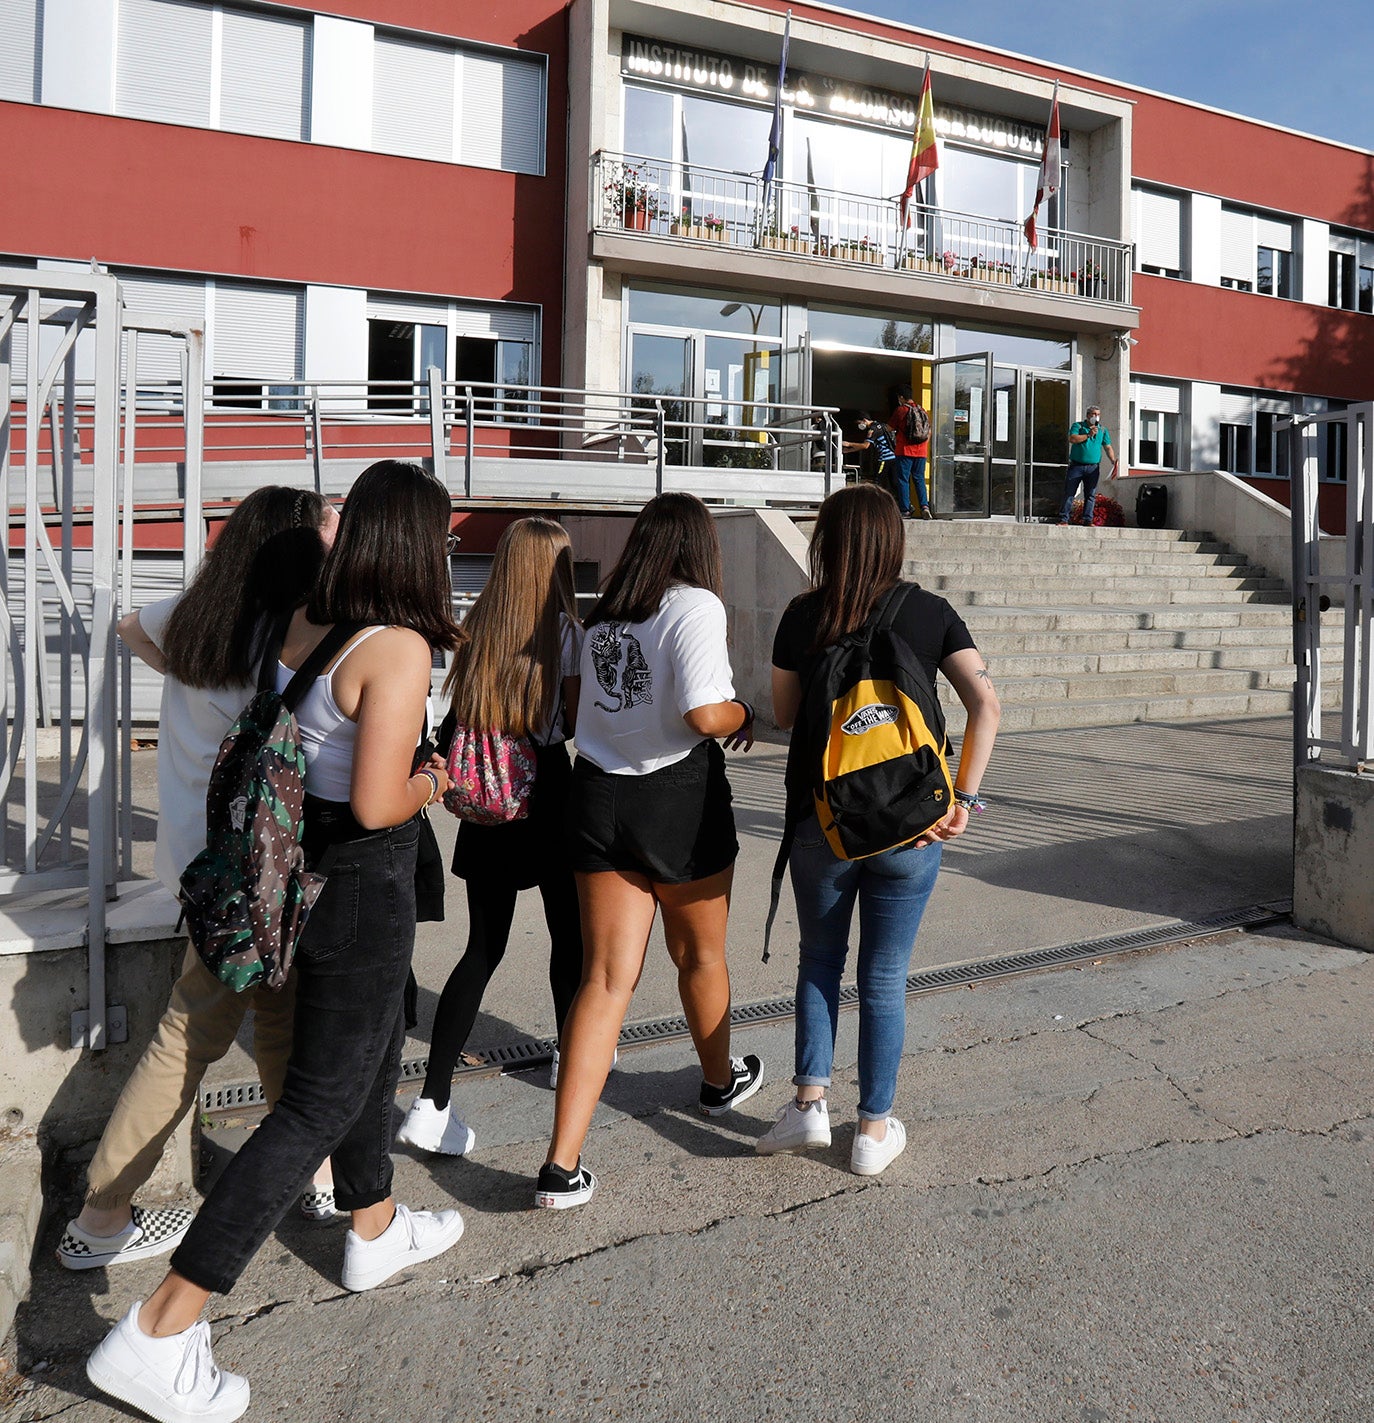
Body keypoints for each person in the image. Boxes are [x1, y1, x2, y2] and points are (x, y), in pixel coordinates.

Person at [86, 460, 465, 1423]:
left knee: (372, 1059)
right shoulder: (399, 646)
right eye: (446, 531)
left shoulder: (309, 625)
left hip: (302, 882)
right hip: (361, 889)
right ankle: (162, 1326)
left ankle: (375, 1223)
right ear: (416, 541)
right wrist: (437, 778)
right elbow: (380, 799)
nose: (454, 545)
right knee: (313, 1107)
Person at [58, 488, 339, 1276]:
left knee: (278, 1023)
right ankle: (100, 1216)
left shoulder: (200, 613)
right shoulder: (283, 636)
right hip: (258, 874)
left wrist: (181, 663)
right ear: (295, 547)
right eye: (326, 532)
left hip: (201, 861)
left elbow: (125, 627)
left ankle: (308, 1174)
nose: (333, 545)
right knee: (193, 1034)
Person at [759, 483, 1000, 1175]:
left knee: (819, 960)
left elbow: (782, 711)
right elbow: (986, 703)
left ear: (826, 542)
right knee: (885, 974)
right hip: (911, 828)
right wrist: (965, 799)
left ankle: (807, 1103)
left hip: (821, 823)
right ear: (895, 539)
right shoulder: (929, 612)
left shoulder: (804, 615)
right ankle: (871, 1130)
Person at [535, 492, 760, 1210]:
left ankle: (561, 1165)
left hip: (597, 794)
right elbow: (703, 712)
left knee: (603, 980)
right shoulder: (694, 605)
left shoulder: (603, 616)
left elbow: (575, 714)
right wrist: (746, 712)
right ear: (698, 546)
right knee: (699, 955)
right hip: (679, 798)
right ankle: (718, 1082)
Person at [396, 517, 584, 1156]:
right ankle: (571, 1060)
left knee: (482, 948)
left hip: (488, 799)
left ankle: (433, 1096)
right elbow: (575, 721)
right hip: (549, 793)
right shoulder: (564, 634)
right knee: (569, 938)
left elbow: (456, 719)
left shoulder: (477, 629)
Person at [1059, 404, 1118, 526]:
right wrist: (1088, 435)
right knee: (1070, 492)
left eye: (1098, 415)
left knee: (1090, 495)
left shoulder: (1102, 430)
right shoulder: (1078, 426)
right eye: (1093, 414)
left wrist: (1113, 459)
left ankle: (1087, 520)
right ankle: (1064, 519)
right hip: (1076, 466)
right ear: (1087, 415)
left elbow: (1108, 446)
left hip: (1093, 467)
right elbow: (1073, 439)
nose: (1096, 417)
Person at [887, 385, 932, 519]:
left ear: (901, 397)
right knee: (919, 479)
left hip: (905, 450)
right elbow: (928, 430)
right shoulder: (921, 410)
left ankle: (905, 510)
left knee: (903, 480)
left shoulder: (901, 410)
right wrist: (924, 445)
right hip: (921, 452)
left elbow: (889, 428)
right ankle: (924, 506)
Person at [842, 411, 895, 485]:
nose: (859, 425)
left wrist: (849, 444)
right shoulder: (881, 425)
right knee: (892, 482)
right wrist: (849, 450)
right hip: (894, 457)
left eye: (859, 423)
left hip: (885, 458)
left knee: (879, 482)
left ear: (864, 420)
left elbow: (865, 446)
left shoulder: (872, 430)